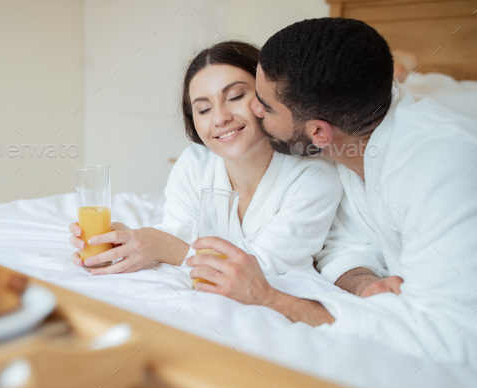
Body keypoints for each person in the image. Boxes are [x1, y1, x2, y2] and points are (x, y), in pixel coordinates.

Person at [187, 18, 477, 366]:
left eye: (265, 105)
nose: (254, 109)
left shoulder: (440, 170)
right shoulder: (349, 143)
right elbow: (341, 246)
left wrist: (270, 298)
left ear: (319, 133)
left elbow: (449, 339)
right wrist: (365, 283)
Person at [69, 41, 342, 276]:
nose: (220, 117)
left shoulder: (314, 176)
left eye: (235, 96)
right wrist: (126, 242)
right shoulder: (195, 163)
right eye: (204, 109)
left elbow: (269, 263)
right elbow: (176, 233)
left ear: (267, 97)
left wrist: (163, 247)